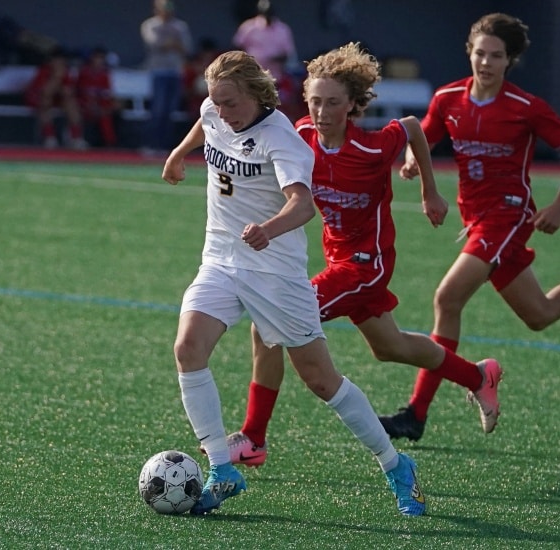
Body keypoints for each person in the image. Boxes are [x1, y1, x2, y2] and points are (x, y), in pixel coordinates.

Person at [162, 50, 427, 517]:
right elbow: (206, 124)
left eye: (229, 102)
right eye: (215, 101)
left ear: (254, 95)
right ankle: (223, 471)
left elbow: (302, 205)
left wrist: (270, 228)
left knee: (322, 381)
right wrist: (180, 154)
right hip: (220, 261)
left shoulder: (281, 139)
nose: (219, 110)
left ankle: (395, 463)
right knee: (188, 349)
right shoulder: (214, 109)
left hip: (275, 274)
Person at [214, 42, 503, 469]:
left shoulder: (372, 146)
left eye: (333, 102)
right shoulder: (302, 136)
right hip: (339, 262)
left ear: (352, 104)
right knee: (390, 346)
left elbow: (412, 128)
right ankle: (478, 376)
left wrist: (430, 190)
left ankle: (254, 438)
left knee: (268, 324)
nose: (322, 111)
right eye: (315, 101)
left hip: (368, 264)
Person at [379, 12, 560, 441]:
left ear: (509, 60)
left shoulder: (525, 108)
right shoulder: (448, 98)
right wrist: (409, 158)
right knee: (540, 315)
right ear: (469, 52)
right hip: (478, 220)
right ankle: (431, 405)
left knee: (447, 297)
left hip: (509, 217)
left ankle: (416, 414)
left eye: (496, 56)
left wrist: (557, 206)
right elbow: (425, 132)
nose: (486, 62)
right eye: (480, 52)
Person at [232, 0, 302, 121]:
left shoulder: (282, 29)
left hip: (276, 77)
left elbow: (287, 54)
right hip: (253, 77)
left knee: (277, 109)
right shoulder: (248, 27)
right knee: (254, 109)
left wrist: (271, 58)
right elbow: (237, 48)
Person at [140, 0, 193, 153]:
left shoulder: (180, 26)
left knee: (170, 111)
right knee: (158, 110)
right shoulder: (150, 25)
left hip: (175, 72)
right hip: (158, 72)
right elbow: (154, 43)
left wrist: (171, 44)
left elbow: (187, 48)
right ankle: (151, 145)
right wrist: (171, 43)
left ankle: (165, 146)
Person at [24, 47, 88, 150]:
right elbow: (45, 92)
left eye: (62, 60)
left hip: (56, 101)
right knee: (45, 103)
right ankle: (50, 138)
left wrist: (63, 87)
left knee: (71, 103)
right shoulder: (44, 70)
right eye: (58, 60)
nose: (60, 62)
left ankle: (76, 138)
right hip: (38, 101)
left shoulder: (66, 72)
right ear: (51, 60)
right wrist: (57, 77)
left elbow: (68, 92)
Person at [76, 47, 119, 147]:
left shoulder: (104, 74)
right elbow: (79, 92)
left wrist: (105, 106)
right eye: (97, 58)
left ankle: (110, 144)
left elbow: (106, 94)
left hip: (99, 105)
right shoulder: (84, 72)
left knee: (105, 114)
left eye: (101, 58)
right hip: (84, 104)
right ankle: (77, 140)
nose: (99, 61)